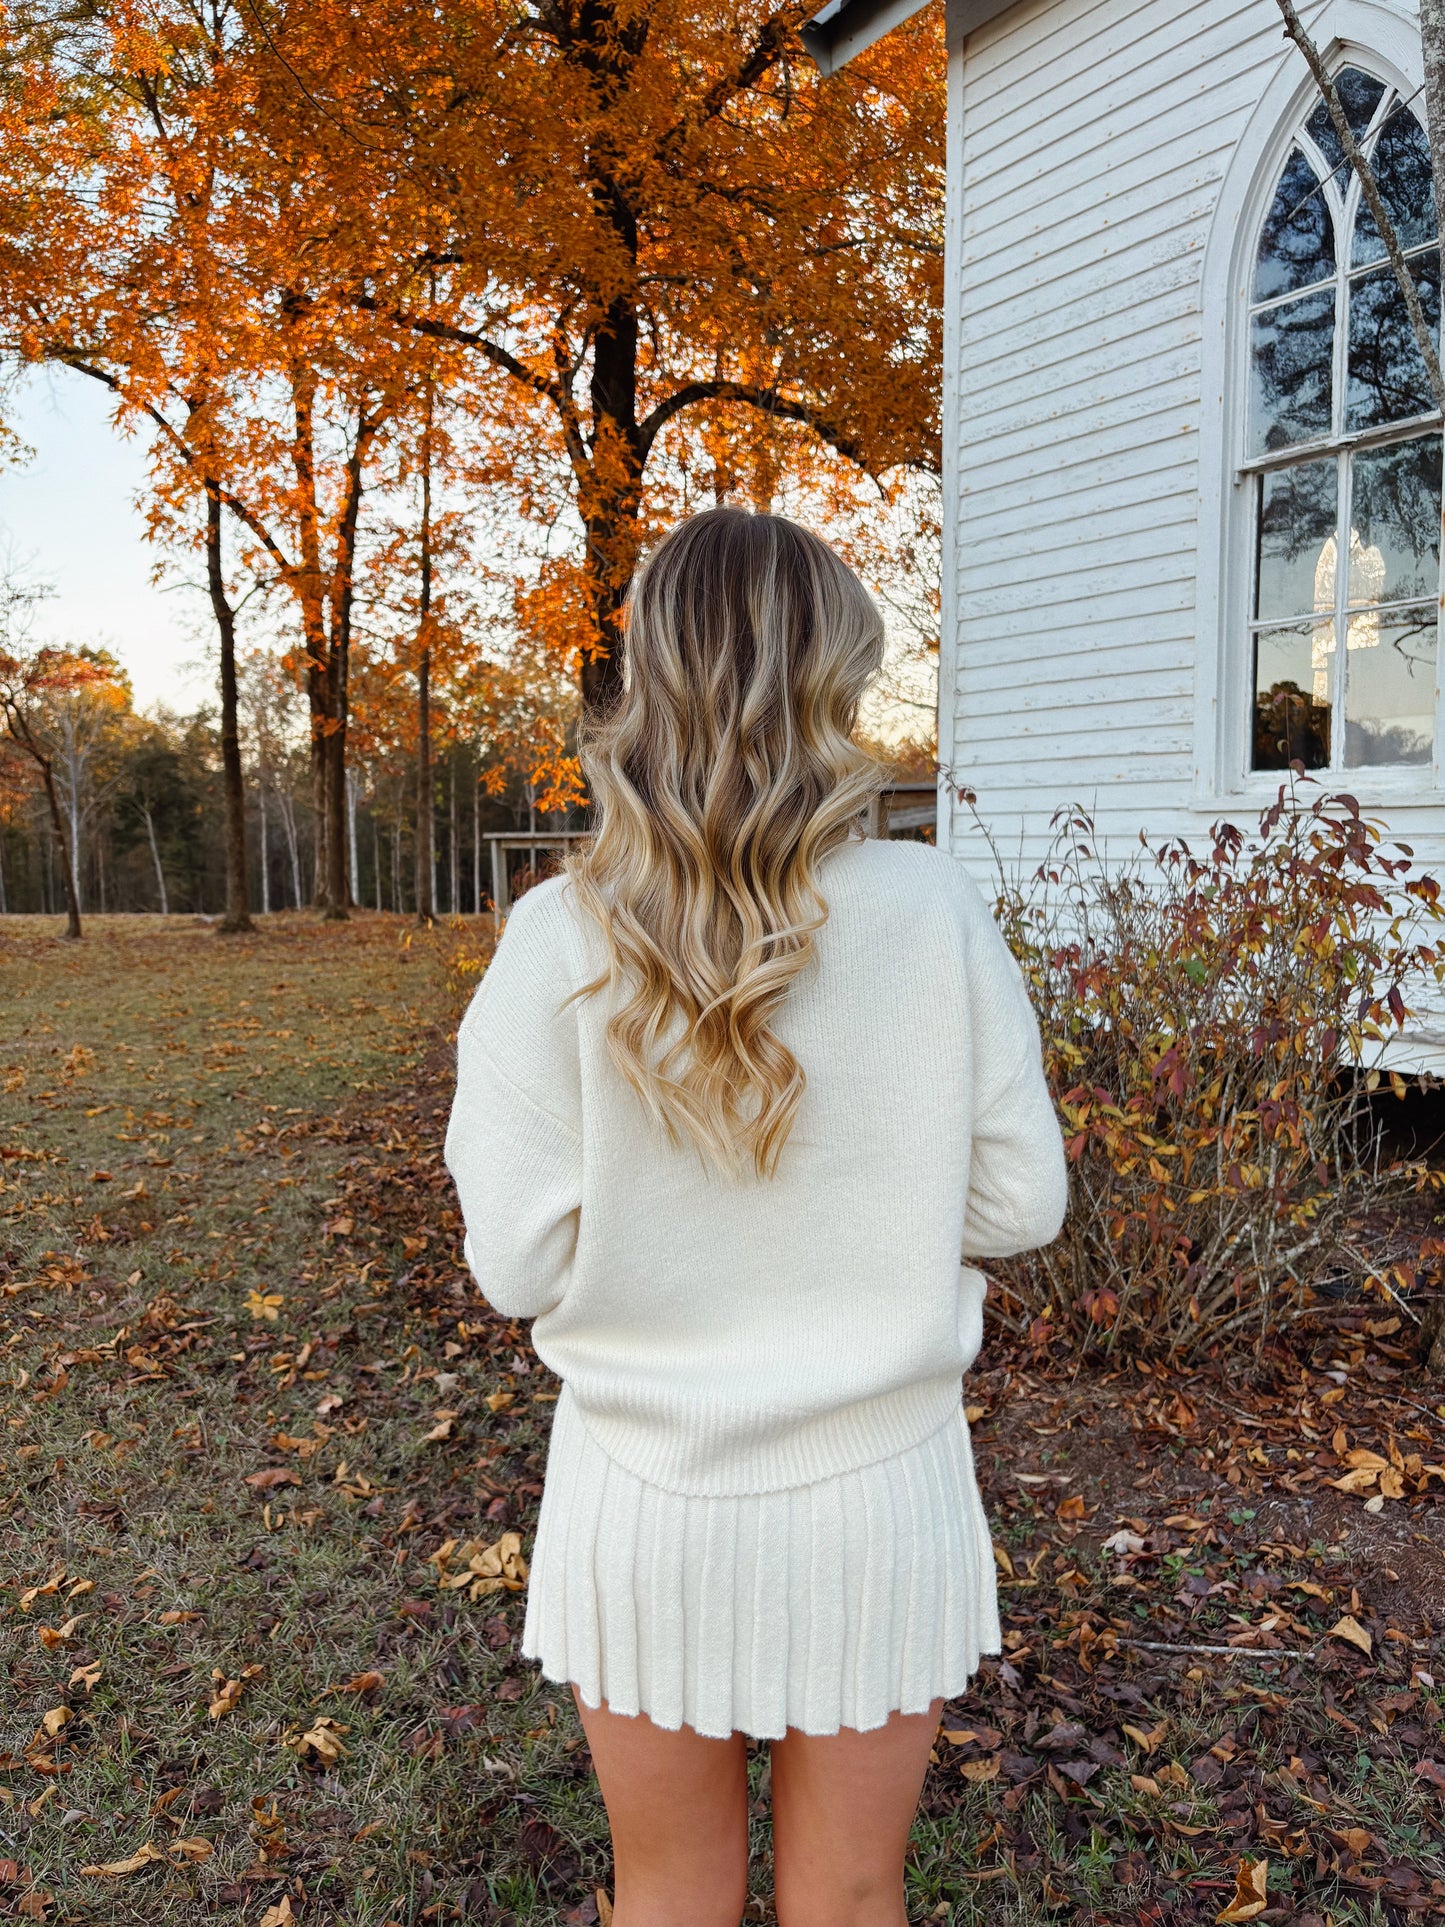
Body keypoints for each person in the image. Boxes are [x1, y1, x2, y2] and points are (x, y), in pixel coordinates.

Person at [445, 508, 1067, 1927]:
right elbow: (1018, 1201)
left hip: (640, 1493)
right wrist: (873, 1206)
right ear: (833, 675)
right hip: (879, 1493)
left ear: (644, 678)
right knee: (849, 1898)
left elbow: (516, 1259)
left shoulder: (559, 933)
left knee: (668, 1896)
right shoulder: (930, 908)